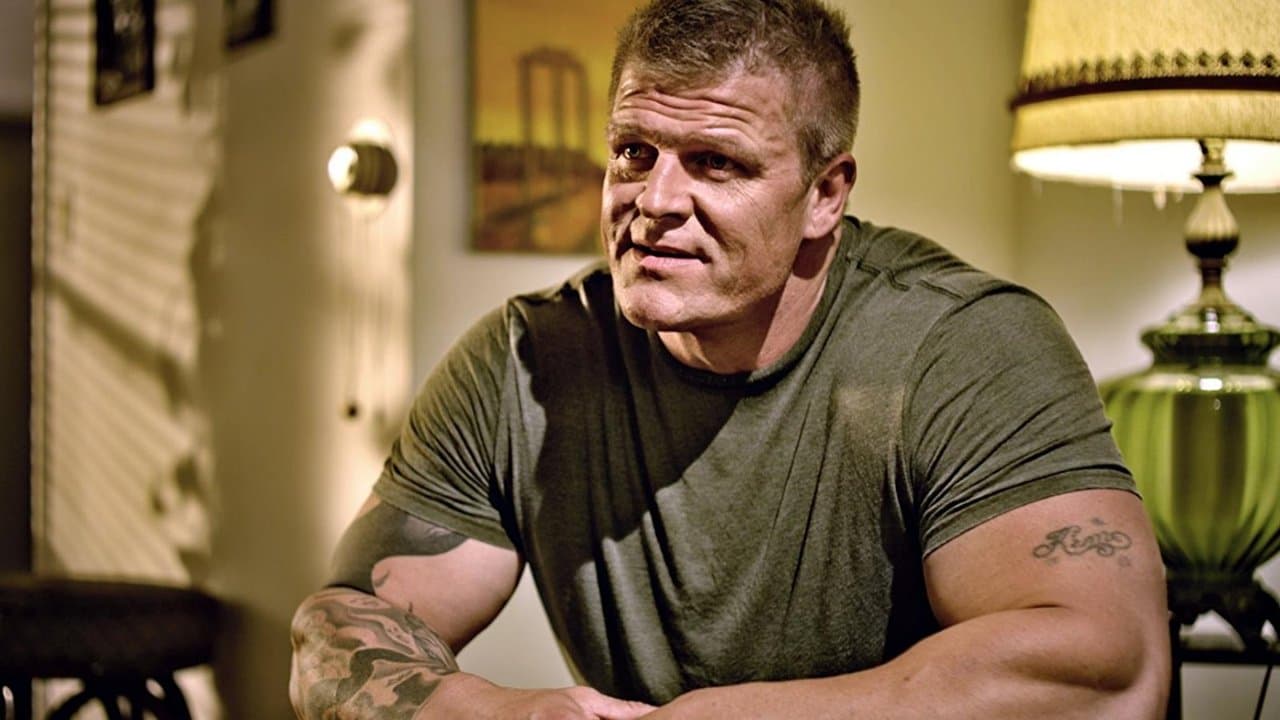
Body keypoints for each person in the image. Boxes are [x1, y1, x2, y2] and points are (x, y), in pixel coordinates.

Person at [289, 0, 1171, 717]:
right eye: (634, 152)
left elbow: (1103, 671)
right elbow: (341, 624)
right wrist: (487, 712)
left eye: (715, 163)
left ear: (825, 195)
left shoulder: (964, 344)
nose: (654, 201)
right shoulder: (524, 362)